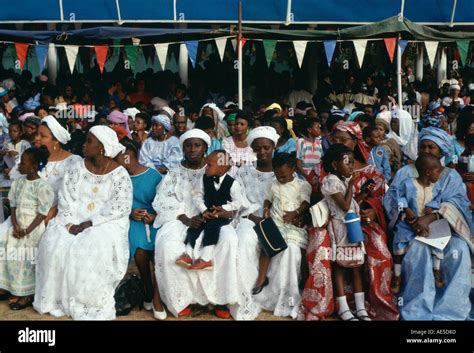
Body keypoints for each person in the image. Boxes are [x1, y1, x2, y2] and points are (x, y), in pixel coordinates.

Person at [299, 121, 399, 321]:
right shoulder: (327, 173)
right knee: (322, 248)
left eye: (343, 139)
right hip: (334, 221)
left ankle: (370, 304)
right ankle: (327, 302)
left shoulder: (372, 172)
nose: (338, 142)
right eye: (334, 139)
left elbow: (380, 201)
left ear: (355, 142)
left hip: (362, 221)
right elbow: (320, 197)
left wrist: (371, 211)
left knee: (379, 248)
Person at [34, 126, 132, 320]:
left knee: (93, 245)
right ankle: (58, 299)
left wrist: (91, 223)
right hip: (73, 217)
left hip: (106, 223)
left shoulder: (120, 175)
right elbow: (66, 198)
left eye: (89, 141)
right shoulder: (77, 167)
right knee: (55, 241)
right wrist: (70, 222)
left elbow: (119, 207)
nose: (84, 145)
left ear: (102, 147)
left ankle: (87, 301)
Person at [385, 126, 473, 320]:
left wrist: (431, 218)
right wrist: (413, 220)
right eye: (423, 146)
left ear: (441, 151)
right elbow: (392, 200)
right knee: (418, 250)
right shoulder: (404, 173)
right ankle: (418, 312)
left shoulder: (451, 176)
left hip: (446, 229)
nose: (426, 151)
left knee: (459, 251)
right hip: (410, 229)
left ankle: (450, 312)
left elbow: (459, 203)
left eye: (431, 148)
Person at [152, 129, 241, 319]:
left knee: (229, 240)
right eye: (188, 145)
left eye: (197, 145)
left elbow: (235, 198)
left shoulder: (216, 167)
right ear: (182, 147)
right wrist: (184, 218)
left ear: (206, 148)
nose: (192, 149)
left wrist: (221, 212)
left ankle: (221, 299)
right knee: (168, 246)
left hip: (214, 218)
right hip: (180, 219)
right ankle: (181, 299)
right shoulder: (174, 172)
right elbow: (163, 200)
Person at [254, 152, 311, 319]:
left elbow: (305, 203)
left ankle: (294, 289)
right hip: (277, 221)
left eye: (284, 176)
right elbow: (267, 200)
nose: (281, 179)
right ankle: (261, 279)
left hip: (293, 224)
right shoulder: (273, 184)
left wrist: (295, 213)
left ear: (293, 169)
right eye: (278, 175)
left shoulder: (302, 185)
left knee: (292, 249)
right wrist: (265, 209)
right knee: (266, 244)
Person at [115, 138, 166, 320]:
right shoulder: (119, 177)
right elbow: (113, 203)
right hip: (133, 221)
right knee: (139, 251)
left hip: (154, 219)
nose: (115, 160)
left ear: (128, 156)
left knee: (160, 250)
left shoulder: (153, 176)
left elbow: (164, 202)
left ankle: (159, 295)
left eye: (118, 156)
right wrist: (130, 213)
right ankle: (147, 289)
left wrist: (154, 216)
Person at [232, 126, 279, 320]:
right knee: (245, 240)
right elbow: (238, 199)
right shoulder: (244, 172)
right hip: (248, 218)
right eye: (257, 148)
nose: (262, 152)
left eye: (266, 148)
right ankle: (246, 294)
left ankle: (272, 294)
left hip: (275, 219)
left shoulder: (282, 170)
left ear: (273, 147)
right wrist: (253, 217)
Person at [321, 144, 371, 321]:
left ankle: (360, 307)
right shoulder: (331, 181)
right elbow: (343, 205)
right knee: (341, 266)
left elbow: (351, 203)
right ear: (335, 165)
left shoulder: (340, 180)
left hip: (352, 225)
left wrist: (363, 194)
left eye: (352, 162)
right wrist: (351, 185)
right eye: (347, 162)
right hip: (340, 228)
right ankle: (343, 308)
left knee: (357, 265)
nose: (351, 166)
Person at [0, 147, 54, 310]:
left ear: (33, 166)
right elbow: (14, 206)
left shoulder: (42, 186)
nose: (18, 166)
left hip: (33, 227)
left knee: (26, 254)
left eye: (22, 162)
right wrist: (16, 225)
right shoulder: (18, 183)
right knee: (6, 245)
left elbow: (42, 213)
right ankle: (9, 287)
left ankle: (26, 294)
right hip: (18, 224)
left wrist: (27, 230)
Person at [177, 149, 244, 274]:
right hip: (207, 212)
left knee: (212, 227)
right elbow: (197, 196)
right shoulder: (204, 179)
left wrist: (225, 209)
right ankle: (188, 253)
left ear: (221, 169)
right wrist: (204, 210)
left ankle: (206, 258)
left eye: (209, 165)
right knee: (195, 226)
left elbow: (237, 203)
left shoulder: (233, 184)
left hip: (222, 216)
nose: (205, 168)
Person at [390, 153, 443, 294]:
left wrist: (432, 208)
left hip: (428, 223)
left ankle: (436, 270)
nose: (439, 175)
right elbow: (398, 197)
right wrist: (407, 209)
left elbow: (438, 200)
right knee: (400, 242)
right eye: (437, 171)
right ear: (427, 172)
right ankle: (397, 275)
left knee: (438, 242)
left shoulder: (436, 187)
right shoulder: (407, 183)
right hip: (408, 223)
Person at [37, 116, 82, 219]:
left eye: (42, 136)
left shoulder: (73, 162)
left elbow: (74, 196)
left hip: (58, 216)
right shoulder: (32, 157)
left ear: (56, 140)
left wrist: (53, 212)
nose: (37, 138)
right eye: (37, 134)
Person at [222, 111, 256, 177]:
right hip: (229, 178)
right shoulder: (227, 142)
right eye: (237, 124)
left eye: (242, 124)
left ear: (248, 127)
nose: (238, 126)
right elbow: (224, 161)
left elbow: (255, 162)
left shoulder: (253, 142)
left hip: (250, 178)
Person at [296, 117, 323, 197]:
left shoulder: (319, 142)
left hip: (316, 178)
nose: (319, 130)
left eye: (320, 128)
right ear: (309, 130)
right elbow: (298, 163)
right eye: (317, 127)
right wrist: (308, 177)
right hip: (303, 177)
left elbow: (320, 162)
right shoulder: (301, 142)